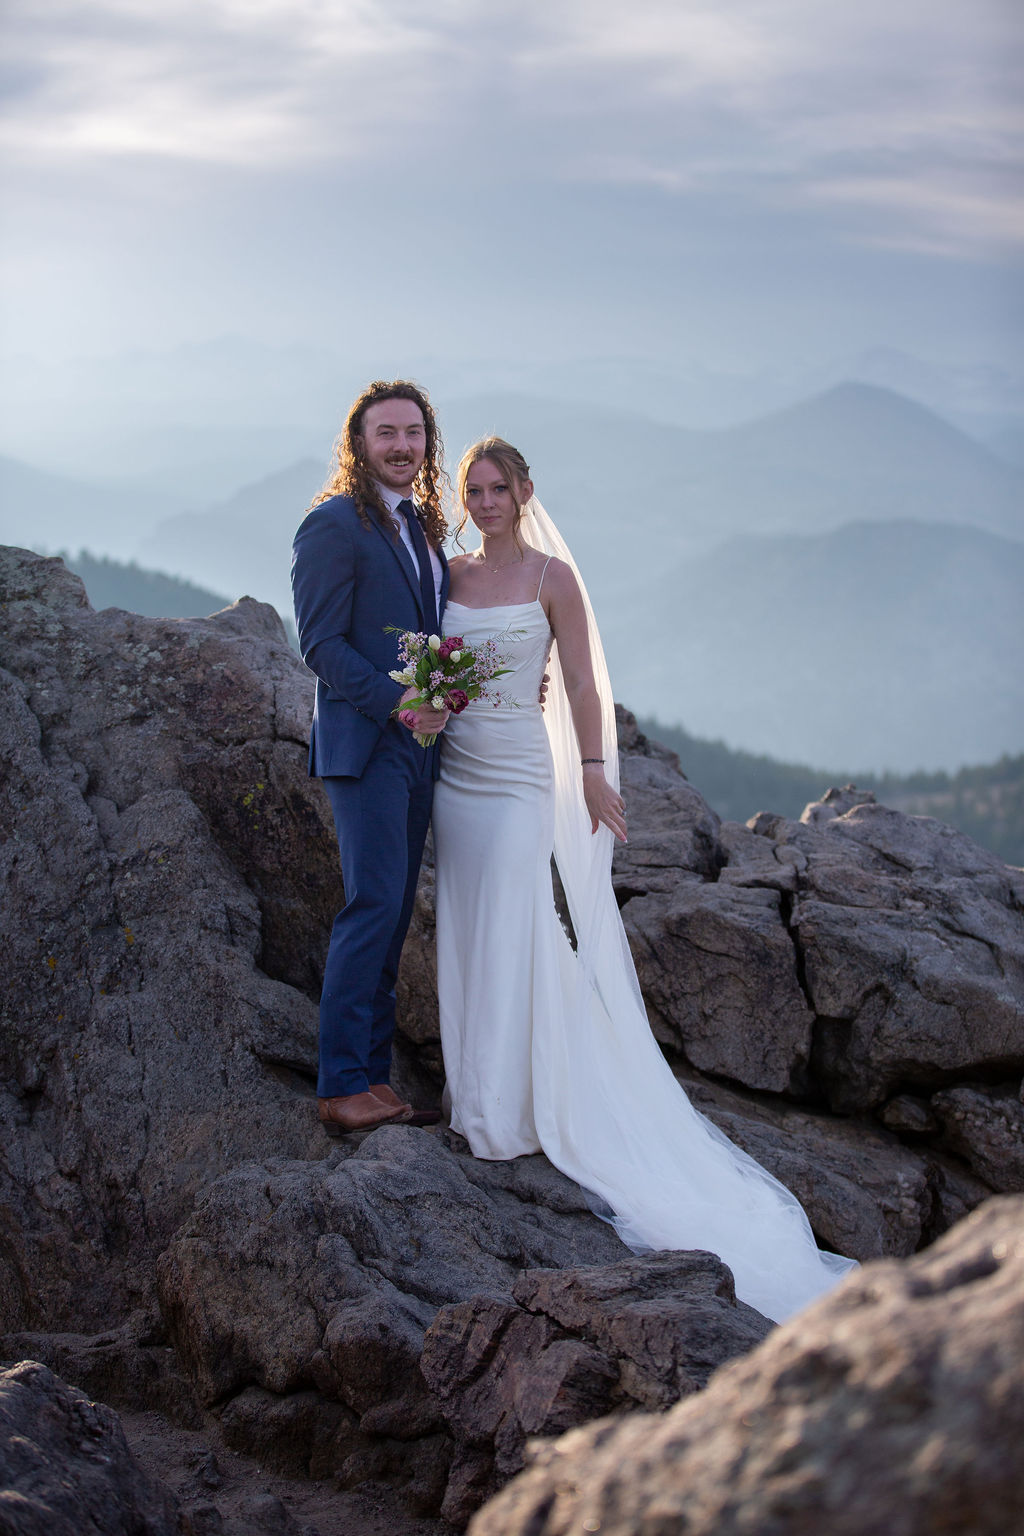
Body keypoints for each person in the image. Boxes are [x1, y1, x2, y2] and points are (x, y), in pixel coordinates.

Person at [431, 437, 857, 1323]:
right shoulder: (450, 574)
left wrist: (591, 767)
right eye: (472, 489)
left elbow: (582, 680)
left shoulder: (552, 578)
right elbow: (436, 668)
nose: (485, 500)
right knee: (467, 920)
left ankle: (512, 1112)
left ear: (524, 491)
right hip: (455, 775)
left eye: (497, 487)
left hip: (515, 777)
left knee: (517, 919)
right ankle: (475, 1090)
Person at [291, 380, 451, 1136]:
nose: (401, 447)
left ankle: (373, 1080)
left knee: (390, 918)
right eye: (385, 433)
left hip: (419, 749)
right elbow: (320, 645)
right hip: (366, 745)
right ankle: (340, 1086)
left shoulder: (419, 524)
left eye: (413, 434)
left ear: (427, 442)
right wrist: (396, 704)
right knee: (371, 907)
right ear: (358, 443)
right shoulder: (332, 525)